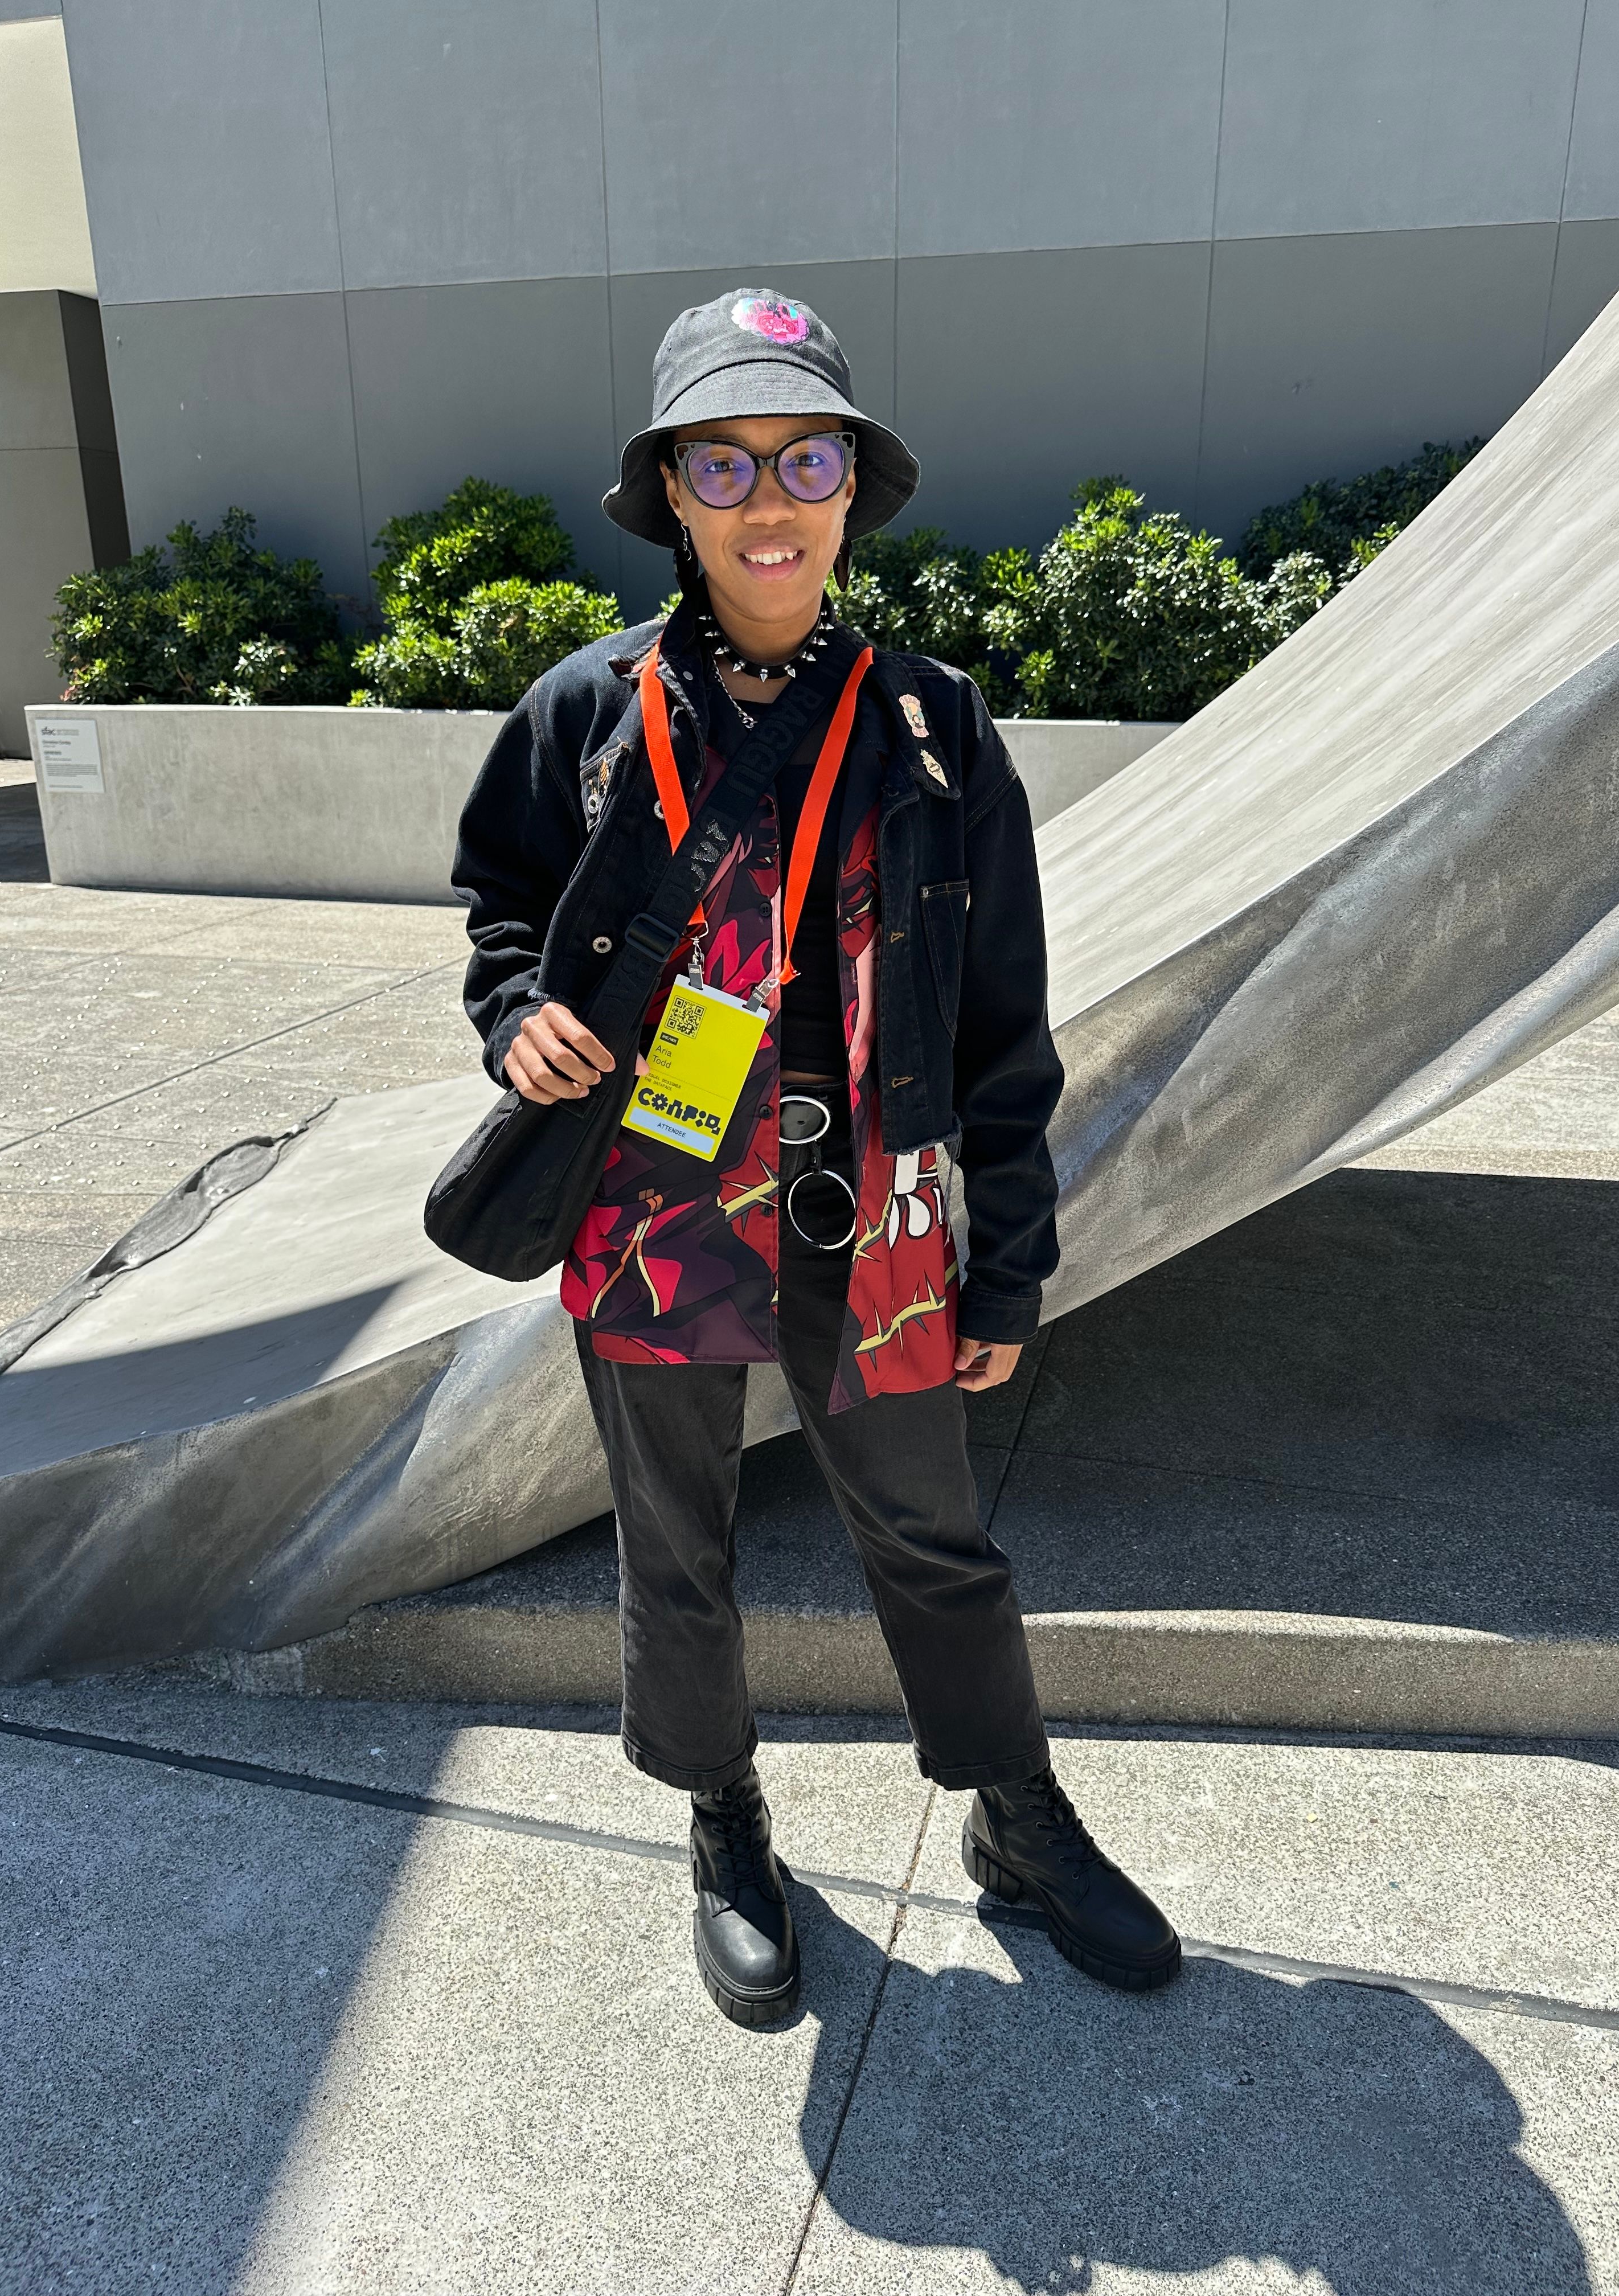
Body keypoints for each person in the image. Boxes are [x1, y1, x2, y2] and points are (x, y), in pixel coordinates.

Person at [453, 289, 1178, 2024]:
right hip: (651, 1201)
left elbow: (1003, 1018)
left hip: (879, 1205)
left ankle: (1016, 1814)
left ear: (854, 487)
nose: (766, 499)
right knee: (675, 1536)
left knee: (934, 1529)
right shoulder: (587, 710)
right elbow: (501, 914)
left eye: (805, 458)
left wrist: (1011, 1259)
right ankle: (725, 1819)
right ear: (671, 492)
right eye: (724, 461)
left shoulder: (934, 724)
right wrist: (517, 1018)